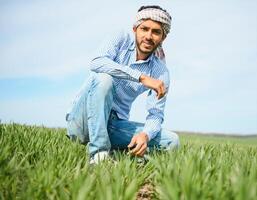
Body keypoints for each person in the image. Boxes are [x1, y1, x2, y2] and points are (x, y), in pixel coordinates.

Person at [65, 5, 179, 164]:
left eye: (156, 32)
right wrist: (141, 77)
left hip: (114, 126)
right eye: (144, 29)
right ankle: (99, 155)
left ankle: (120, 154)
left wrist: (145, 135)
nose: (149, 36)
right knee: (105, 78)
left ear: (163, 37)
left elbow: (156, 114)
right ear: (135, 29)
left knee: (172, 141)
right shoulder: (120, 38)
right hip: (83, 122)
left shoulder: (161, 72)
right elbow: (97, 62)